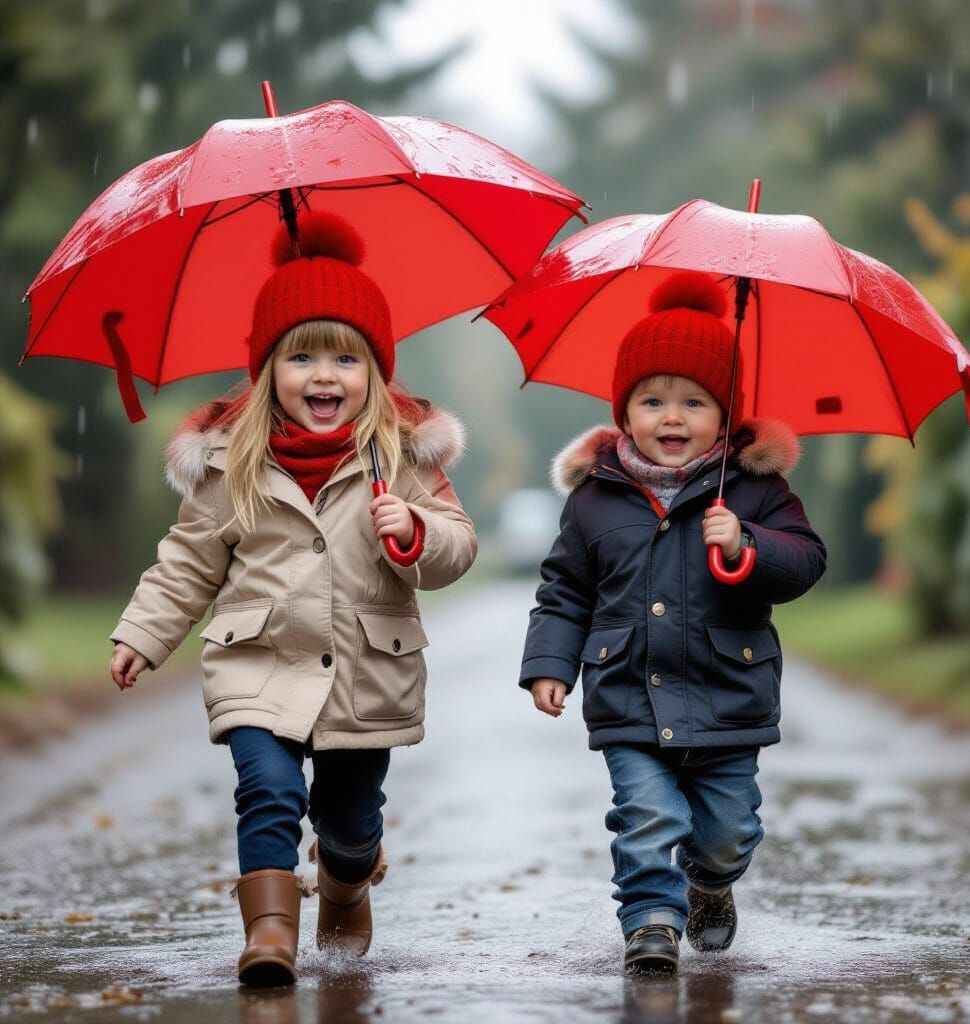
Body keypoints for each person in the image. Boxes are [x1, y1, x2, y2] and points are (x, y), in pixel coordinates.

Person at [109, 212, 476, 986]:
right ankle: (270, 933)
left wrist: (414, 530)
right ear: (267, 367)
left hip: (365, 672)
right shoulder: (229, 461)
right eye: (300, 355)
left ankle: (346, 879)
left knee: (349, 820)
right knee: (267, 790)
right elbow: (188, 560)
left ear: (375, 370)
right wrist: (143, 632)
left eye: (345, 357)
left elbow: (457, 546)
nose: (323, 376)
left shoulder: (401, 455)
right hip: (258, 663)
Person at [519, 270, 826, 975]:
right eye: (652, 400)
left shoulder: (754, 489)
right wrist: (549, 664)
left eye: (695, 401)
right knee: (647, 817)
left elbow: (807, 561)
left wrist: (748, 545)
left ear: (726, 413)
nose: (672, 418)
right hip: (629, 695)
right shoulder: (596, 497)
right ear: (624, 410)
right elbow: (565, 589)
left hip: (727, 698)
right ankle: (650, 923)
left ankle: (709, 884)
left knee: (728, 833)